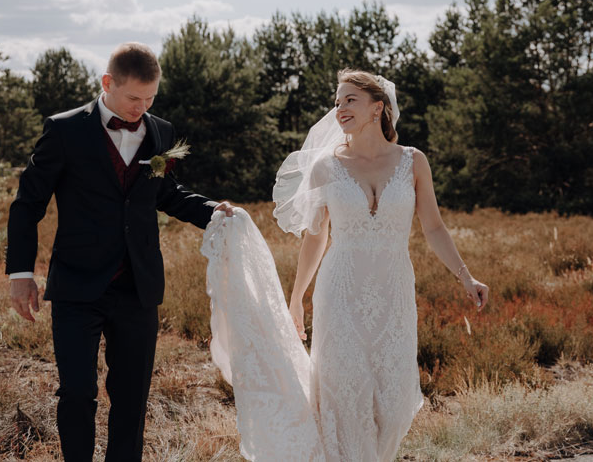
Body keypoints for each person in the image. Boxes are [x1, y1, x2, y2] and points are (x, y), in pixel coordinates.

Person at [201, 68, 488, 461]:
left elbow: (434, 227)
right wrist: (297, 297)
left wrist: (466, 276)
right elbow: (316, 237)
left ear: (378, 108)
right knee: (342, 397)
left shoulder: (413, 161)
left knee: (393, 400)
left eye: (350, 99)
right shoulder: (325, 166)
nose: (340, 109)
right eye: (337, 102)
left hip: (394, 293)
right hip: (339, 293)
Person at [6, 42, 233, 462]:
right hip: (77, 285)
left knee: (131, 397)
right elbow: (27, 203)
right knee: (77, 391)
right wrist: (21, 274)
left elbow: (166, 193)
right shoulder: (65, 129)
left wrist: (212, 211)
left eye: (150, 99)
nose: (140, 108)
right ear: (108, 83)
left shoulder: (160, 131)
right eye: (133, 98)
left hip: (138, 287)